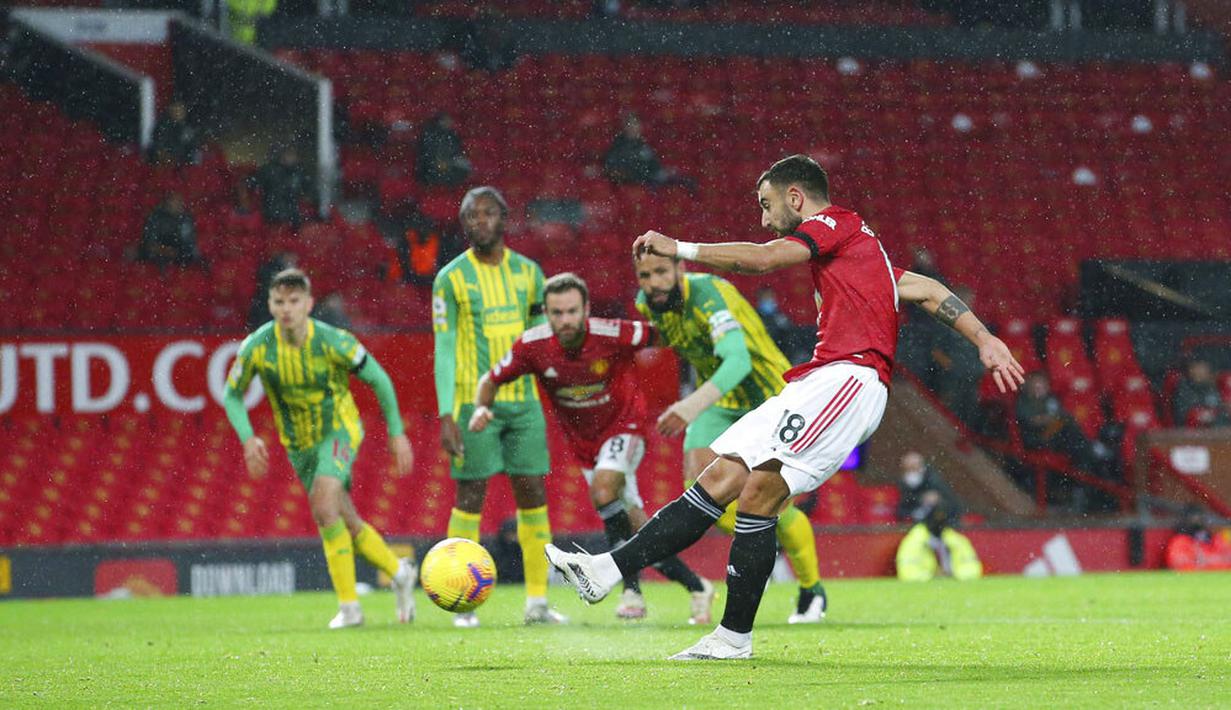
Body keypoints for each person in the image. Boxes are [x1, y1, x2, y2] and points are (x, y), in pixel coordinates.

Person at [547, 154, 1024, 660]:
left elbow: (766, 257)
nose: (763, 217)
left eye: (767, 204)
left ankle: (728, 626)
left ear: (796, 198)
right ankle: (616, 576)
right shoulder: (861, 256)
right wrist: (983, 336)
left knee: (756, 492)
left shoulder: (836, 223)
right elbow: (926, 290)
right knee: (725, 480)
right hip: (816, 380)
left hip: (850, 377)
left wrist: (680, 248)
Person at [470, 272, 715, 623]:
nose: (565, 320)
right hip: (585, 446)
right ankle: (696, 587)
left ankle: (630, 591)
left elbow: (669, 335)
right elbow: (490, 380)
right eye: (556, 313)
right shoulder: (532, 346)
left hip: (626, 426)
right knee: (638, 529)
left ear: (586, 309)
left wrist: (698, 372)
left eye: (572, 311)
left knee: (604, 490)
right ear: (546, 312)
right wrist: (482, 408)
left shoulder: (612, 333)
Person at [633, 252, 829, 624]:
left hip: (770, 394)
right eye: (645, 275)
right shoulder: (647, 304)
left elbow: (737, 362)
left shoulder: (708, 295)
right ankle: (761, 535)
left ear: (680, 269)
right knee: (698, 487)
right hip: (722, 399)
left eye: (661, 272)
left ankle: (811, 589)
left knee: (772, 498)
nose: (654, 282)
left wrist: (690, 406)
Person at [223, 268, 416, 629]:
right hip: (298, 445)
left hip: (339, 432)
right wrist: (248, 437)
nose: (286, 309)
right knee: (346, 520)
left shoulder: (334, 341)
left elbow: (379, 378)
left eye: (294, 301)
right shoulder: (257, 347)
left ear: (309, 304)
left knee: (324, 504)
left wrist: (397, 432)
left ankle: (350, 609)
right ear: (269, 304)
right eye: (279, 301)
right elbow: (231, 395)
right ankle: (399, 573)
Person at [432, 186, 565, 628]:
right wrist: (447, 413)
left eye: (488, 214)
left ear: (504, 219)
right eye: (472, 215)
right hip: (474, 406)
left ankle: (538, 603)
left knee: (533, 496)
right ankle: (462, 604)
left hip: (522, 403)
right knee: (470, 497)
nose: (480, 222)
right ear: (463, 222)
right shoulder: (450, 279)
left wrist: (556, 395)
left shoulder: (529, 274)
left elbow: (539, 341)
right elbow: (446, 347)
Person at [895, 499, 982, 582]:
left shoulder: (956, 540)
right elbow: (907, 572)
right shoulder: (914, 541)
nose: (938, 521)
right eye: (935, 516)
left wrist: (956, 577)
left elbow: (973, 567)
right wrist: (931, 578)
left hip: (954, 584)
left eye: (942, 517)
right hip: (926, 587)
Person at [249, 145, 312, 228]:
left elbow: (307, 193)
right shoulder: (269, 171)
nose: (293, 158)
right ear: (282, 155)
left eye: (294, 155)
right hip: (272, 218)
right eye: (289, 154)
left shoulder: (298, 173)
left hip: (292, 220)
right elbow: (252, 185)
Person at [138, 192, 201, 267]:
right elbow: (149, 244)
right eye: (176, 201)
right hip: (156, 261)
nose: (179, 204)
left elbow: (189, 245)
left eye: (181, 201)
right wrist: (165, 250)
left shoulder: (186, 220)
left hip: (180, 261)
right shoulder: (157, 218)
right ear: (168, 202)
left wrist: (177, 252)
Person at [895, 451, 961, 523]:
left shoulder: (934, 481)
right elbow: (902, 510)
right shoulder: (904, 485)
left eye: (914, 467)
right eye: (908, 469)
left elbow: (953, 506)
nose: (912, 472)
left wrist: (938, 500)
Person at [1164, 505, 1231, 571]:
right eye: (1194, 520)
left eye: (1201, 519)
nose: (1199, 521)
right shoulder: (1180, 542)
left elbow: (1227, 557)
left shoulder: (1216, 540)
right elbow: (1182, 566)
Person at [415, 113, 471, 187]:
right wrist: (439, 162)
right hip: (430, 169)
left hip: (448, 165)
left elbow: (456, 151)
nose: (451, 122)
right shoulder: (431, 134)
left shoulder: (452, 135)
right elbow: (428, 153)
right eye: (447, 120)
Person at [1173, 359, 1230, 428]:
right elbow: (1184, 416)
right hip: (1189, 434)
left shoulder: (1211, 388)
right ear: (1190, 370)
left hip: (1215, 432)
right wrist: (1204, 415)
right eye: (1196, 367)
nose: (1199, 371)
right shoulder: (1184, 388)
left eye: (1202, 367)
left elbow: (1220, 410)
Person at [148, 101, 202, 167]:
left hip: (183, 165)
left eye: (180, 109)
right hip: (165, 166)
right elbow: (158, 144)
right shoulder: (163, 126)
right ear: (170, 110)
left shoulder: (189, 126)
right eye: (175, 109)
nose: (177, 112)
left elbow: (194, 147)